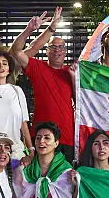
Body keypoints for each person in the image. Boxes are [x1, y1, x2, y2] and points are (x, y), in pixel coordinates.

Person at [10, 10, 77, 163]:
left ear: (65, 51)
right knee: (39, 180)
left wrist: (73, 77)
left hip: (66, 136)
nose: (57, 50)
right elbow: (16, 51)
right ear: (46, 51)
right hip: (41, 137)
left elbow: (80, 102)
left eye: (61, 47)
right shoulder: (38, 67)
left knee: (65, 181)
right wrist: (31, 30)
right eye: (53, 47)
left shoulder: (72, 72)